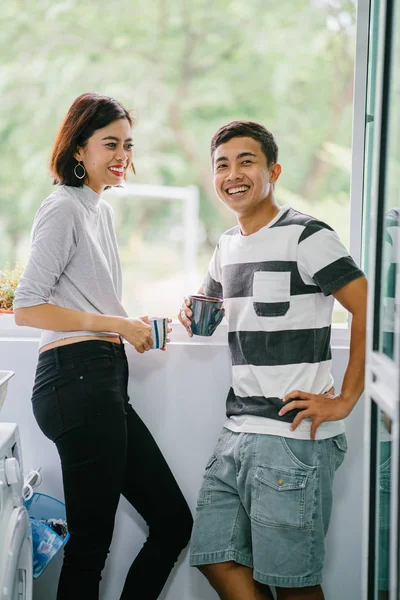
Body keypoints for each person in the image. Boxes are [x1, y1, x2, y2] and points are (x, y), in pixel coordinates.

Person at [14, 93, 193, 600]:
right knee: (91, 547)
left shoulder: (99, 211)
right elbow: (28, 307)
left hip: (100, 378)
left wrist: (128, 324)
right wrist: (116, 323)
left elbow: (85, 300)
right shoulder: (63, 207)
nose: (122, 155)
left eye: (127, 145)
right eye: (110, 143)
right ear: (78, 150)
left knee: (172, 523)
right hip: (76, 379)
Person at [179, 121, 367, 600]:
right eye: (222, 164)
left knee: (294, 585)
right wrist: (191, 309)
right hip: (238, 431)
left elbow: (368, 303)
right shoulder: (226, 245)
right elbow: (213, 309)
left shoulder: (307, 235)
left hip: (291, 438)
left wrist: (346, 398)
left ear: (273, 171)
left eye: (247, 162)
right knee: (214, 556)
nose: (233, 174)